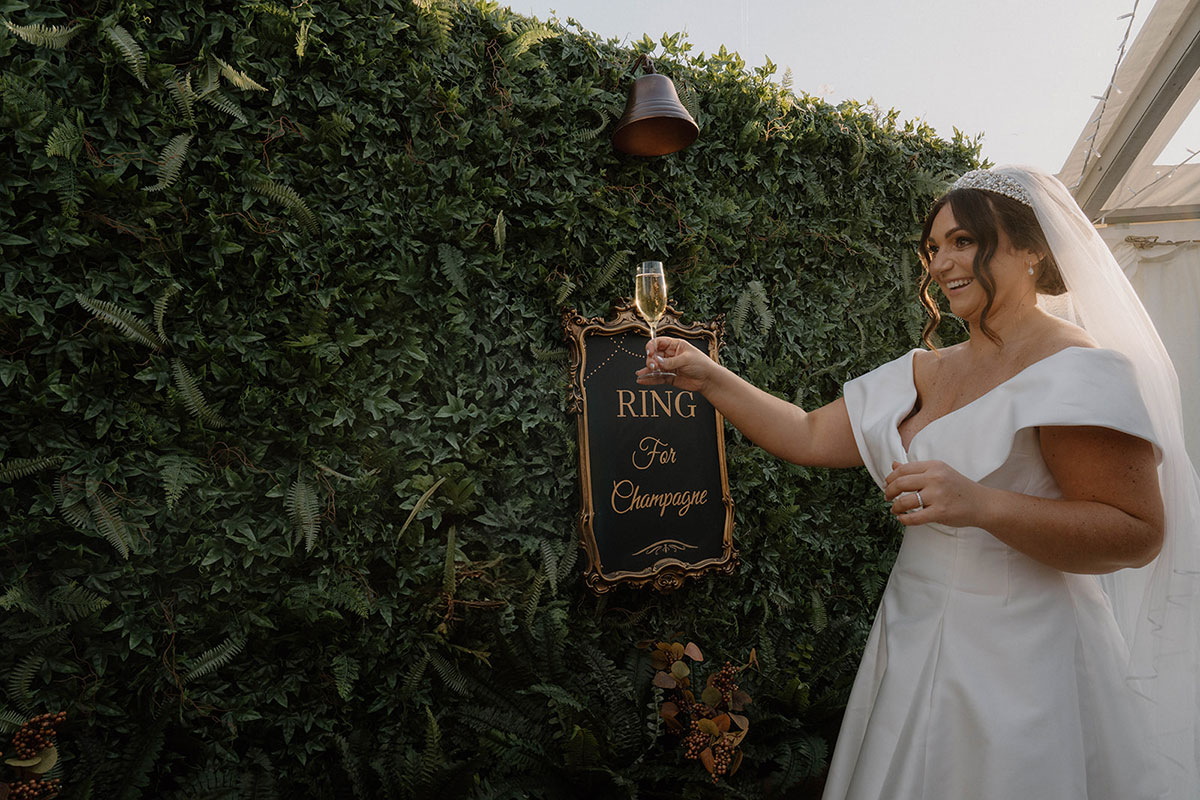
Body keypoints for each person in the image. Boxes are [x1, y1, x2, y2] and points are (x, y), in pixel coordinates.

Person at [637, 166, 1200, 799]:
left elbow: (1135, 533)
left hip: (1022, 660)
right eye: (934, 248)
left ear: (1032, 249)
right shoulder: (925, 368)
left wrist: (983, 503)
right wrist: (708, 377)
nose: (941, 262)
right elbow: (807, 433)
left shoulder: (1080, 372)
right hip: (910, 629)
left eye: (963, 241)